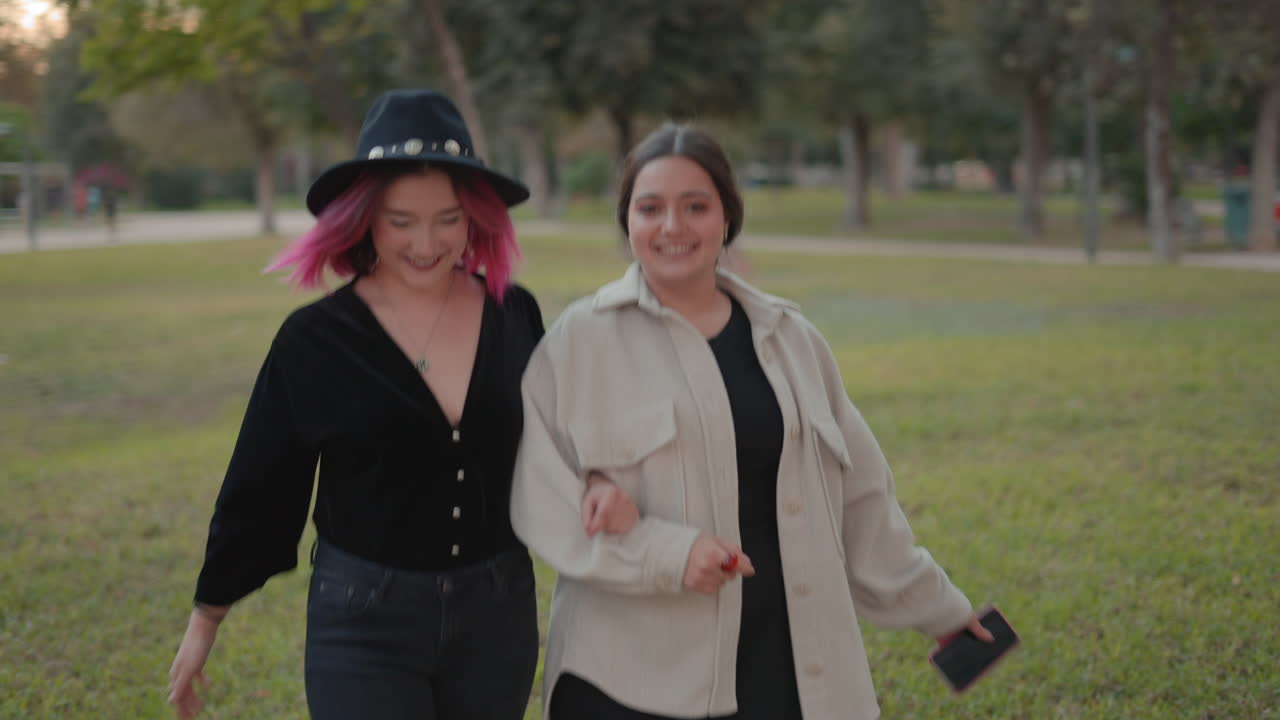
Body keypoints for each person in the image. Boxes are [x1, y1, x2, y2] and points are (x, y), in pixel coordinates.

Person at [165, 89, 636, 720]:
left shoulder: (512, 313)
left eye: (447, 218)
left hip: (497, 614)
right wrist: (205, 621)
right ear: (364, 221)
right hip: (363, 620)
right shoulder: (314, 341)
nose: (426, 242)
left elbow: (558, 428)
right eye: (401, 220)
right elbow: (260, 487)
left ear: (474, 218)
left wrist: (600, 477)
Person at [510, 123, 994, 720]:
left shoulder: (792, 341)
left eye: (696, 206)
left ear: (726, 219)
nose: (672, 227)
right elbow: (542, 496)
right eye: (650, 208)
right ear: (626, 219)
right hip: (628, 679)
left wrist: (939, 607)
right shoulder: (579, 343)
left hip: (784, 665)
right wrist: (666, 553)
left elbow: (863, 499)